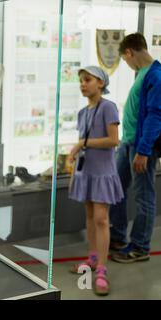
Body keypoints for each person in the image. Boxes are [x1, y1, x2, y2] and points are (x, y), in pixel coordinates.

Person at [68, 66, 123, 296]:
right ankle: (92, 257)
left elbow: (113, 140)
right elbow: (84, 142)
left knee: (101, 218)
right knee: (90, 217)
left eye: (87, 79)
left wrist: (83, 144)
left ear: (100, 83)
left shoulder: (108, 107)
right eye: (81, 80)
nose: (83, 84)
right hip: (86, 172)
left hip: (102, 173)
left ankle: (101, 269)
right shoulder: (83, 112)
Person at [109, 33, 161, 263]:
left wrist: (144, 151)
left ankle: (140, 247)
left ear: (129, 53)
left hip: (140, 148)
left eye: (125, 59)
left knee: (143, 196)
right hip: (128, 143)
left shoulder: (156, 76)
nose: (126, 63)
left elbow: (155, 116)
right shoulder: (141, 73)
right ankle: (118, 236)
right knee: (116, 188)